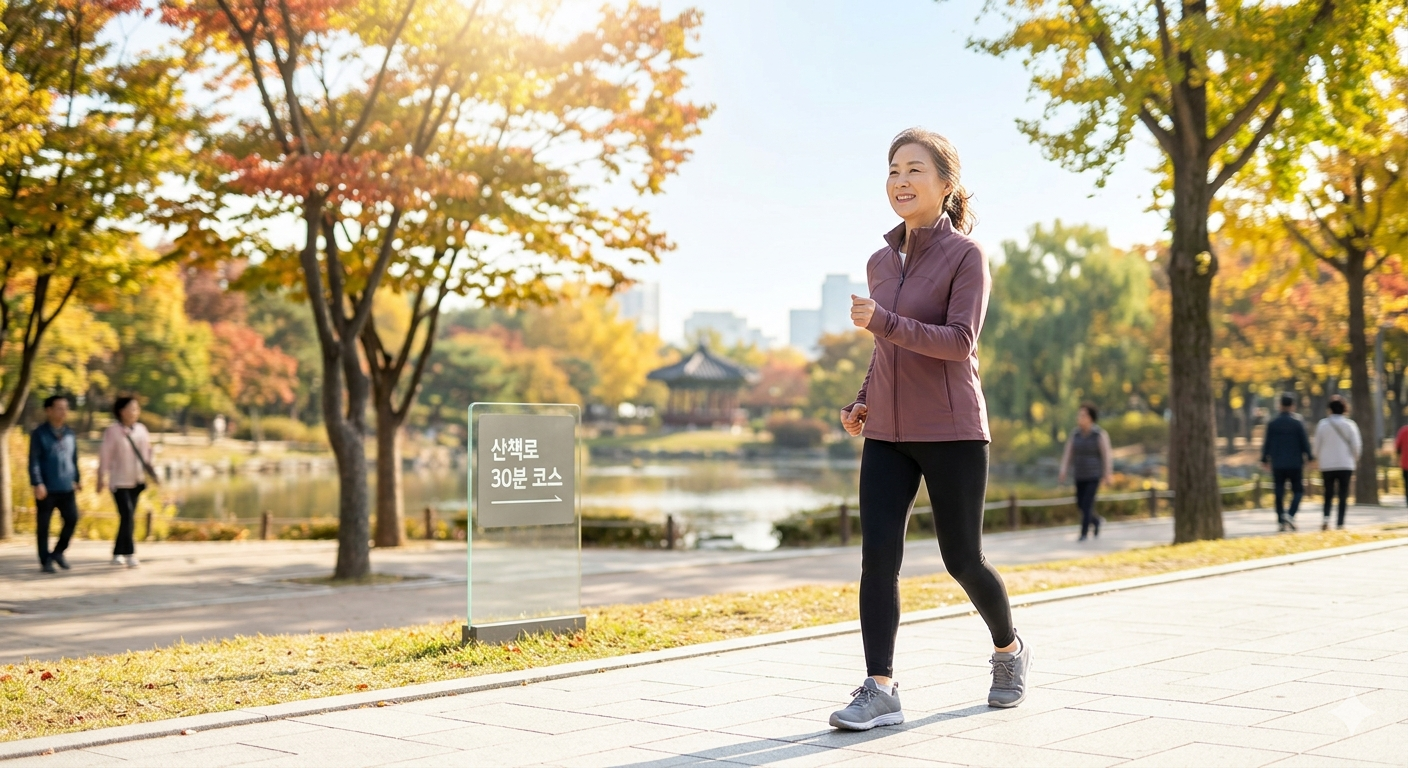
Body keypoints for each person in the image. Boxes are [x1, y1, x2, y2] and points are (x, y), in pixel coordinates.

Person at [830, 128, 1027, 732]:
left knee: (962, 557)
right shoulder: (880, 261)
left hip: (951, 429)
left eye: (915, 169)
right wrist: (863, 400)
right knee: (877, 559)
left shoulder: (966, 256)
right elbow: (886, 351)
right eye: (893, 170)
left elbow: (960, 342)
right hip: (888, 433)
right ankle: (880, 689)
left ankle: (1009, 650)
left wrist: (884, 321)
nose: (901, 181)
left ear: (946, 185)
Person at [98, 397, 154, 568]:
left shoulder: (142, 430)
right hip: (119, 481)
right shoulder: (112, 431)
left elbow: (147, 454)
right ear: (122, 411)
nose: (135, 412)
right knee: (127, 515)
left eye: (137, 409)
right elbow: (105, 455)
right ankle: (130, 553)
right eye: (132, 408)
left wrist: (151, 472)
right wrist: (101, 476)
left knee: (127, 518)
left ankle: (117, 552)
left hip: (137, 480)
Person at [29, 394, 81, 574]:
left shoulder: (70, 433)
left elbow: (74, 459)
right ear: (48, 410)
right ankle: (45, 560)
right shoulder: (39, 433)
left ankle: (58, 553)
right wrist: (37, 483)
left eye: (66, 408)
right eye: (59, 408)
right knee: (44, 526)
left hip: (67, 487)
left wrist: (77, 479)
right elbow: (34, 461)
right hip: (46, 488)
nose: (63, 412)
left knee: (72, 519)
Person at [1059, 403, 1114, 541]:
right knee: (1080, 504)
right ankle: (1096, 521)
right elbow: (1068, 454)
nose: (1080, 418)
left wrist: (1107, 474)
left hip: (1093, 476)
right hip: (1079, 474)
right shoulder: (1075, 434)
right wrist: (1063, 470)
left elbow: (1106, 455)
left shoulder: (1099, 434)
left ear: (1090, 418)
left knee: (1087, 504)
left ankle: (1083, 533)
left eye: (1083, 415)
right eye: (1079, 415)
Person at [1261, 394, 1312, 532]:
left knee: (1279, 491)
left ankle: (1281, 520)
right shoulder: (1298, 422)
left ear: (1280, 405)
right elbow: (1304, 442)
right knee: (1298, 491)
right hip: (1295, 462)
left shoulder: (1273, 423)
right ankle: (1290, 514)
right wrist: (1309, 457)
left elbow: (1267, 443)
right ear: (1293, 405)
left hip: (1278, 463)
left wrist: (1264, 459)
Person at [1313, 395, 1361, 530]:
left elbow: (1316, 445)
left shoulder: (1323, 425)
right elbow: (1356, 445)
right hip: (1345, 464)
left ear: (1330, 409)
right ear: (1345, 409)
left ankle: (1326, 517)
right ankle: (1340, 522)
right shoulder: (1350, 425)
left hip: (1327, 464)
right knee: (1343, 493)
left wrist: (1317, 458)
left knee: (1328, 492)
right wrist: (1355, 458)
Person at [1396, 422, 1408, 508]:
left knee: (1407, 484)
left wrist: (1397, 459)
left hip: (1406, 464)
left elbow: (1398, 447)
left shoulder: (1403, 431)